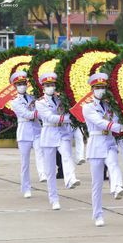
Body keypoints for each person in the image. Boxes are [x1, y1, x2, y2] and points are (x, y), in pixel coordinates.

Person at [83, 73, 123, 227]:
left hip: (109, 141)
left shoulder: (110, 106)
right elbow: (99, 122)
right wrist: (118, 127)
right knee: (97, 183)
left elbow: (115, 119)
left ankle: (117, 187)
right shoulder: (87, 107)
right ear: (92, 89)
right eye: (98, 87)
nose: (101, 90)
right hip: (95, 143)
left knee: (113, 164)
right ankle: (98, 214)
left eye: (103, 87)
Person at [35, 72, 81, 210]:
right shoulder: (39, 102)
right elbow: (49, 117)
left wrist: (69, 117)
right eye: (47, 85)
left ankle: (70, 179)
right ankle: (53, 198)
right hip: (48, 134)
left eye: (52, 85)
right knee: (49, 170)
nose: (51, 87)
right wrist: (67, 118)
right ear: (43, 87)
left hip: (62, 133)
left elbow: (69, 110)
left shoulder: (61, 99)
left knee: (67, 156)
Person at [10, 71, 47, 198]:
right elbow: (26, 114)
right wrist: (40, 112)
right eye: (19, 84)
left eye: (23, 83)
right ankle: (26, 188)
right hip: (24, 132)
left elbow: (39, 111)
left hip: (36, 129)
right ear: (15, 86)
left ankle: (42, 173)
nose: (22, 86)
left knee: (40, 151)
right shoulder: (14, 101)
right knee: (25, 162)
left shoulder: (33, 98)